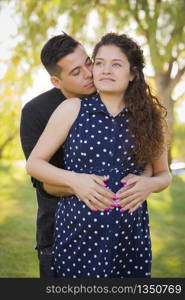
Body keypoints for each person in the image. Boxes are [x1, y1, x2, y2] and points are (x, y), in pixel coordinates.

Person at [25, 32, 171, 278]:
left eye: (116, 64)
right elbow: (34, 164)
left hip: (129, 238)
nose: (104, 70)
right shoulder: (71, 109)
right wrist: (75, 179)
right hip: (76, 235)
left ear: (133, 73)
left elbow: (164, 174)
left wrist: (149, 184)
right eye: (100, 62)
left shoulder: (149, 118)